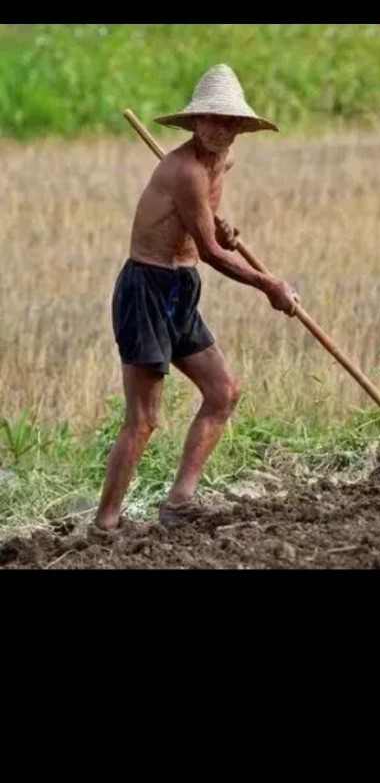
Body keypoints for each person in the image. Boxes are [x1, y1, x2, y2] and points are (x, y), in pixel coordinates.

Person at [89, 64, 298, 538]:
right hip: (147, 289)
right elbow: (210, 252)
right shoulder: (183, 169)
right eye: (212, 119)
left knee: (223, 392)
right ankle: (104, 525)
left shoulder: (219, 163)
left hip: (182, 290)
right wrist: (270, 285)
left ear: (241, 128)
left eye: (230, 122)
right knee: (143, 420)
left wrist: (222, 223)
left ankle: (180, 501)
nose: (221, 129)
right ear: (195, 121)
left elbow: (207, 229)